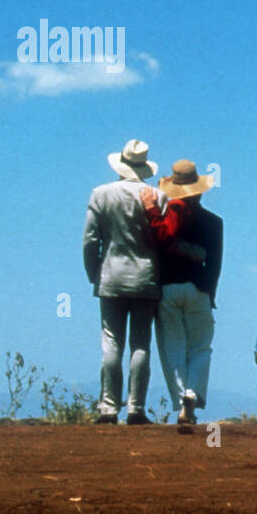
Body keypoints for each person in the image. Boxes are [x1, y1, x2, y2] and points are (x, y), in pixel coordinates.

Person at [83, 139, 166, 424]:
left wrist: (94, 273)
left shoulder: (100, 194)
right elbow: (163, 240)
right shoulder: (157, 195)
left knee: (111, 342)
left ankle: (108, 407)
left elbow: (90, 240)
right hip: (146, 277)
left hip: (111, 276)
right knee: (141, 343)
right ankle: (136, 408)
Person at [139, 160, 222, 433]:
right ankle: (192, 395)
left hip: (168, 288)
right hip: (199, 288)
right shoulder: (214, 223)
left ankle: (181, 398)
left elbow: (159, 243)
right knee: (201, 347)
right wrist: (210, 294)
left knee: (172, 347)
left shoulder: (169, 214)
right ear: (199, 191)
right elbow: (215, 264)